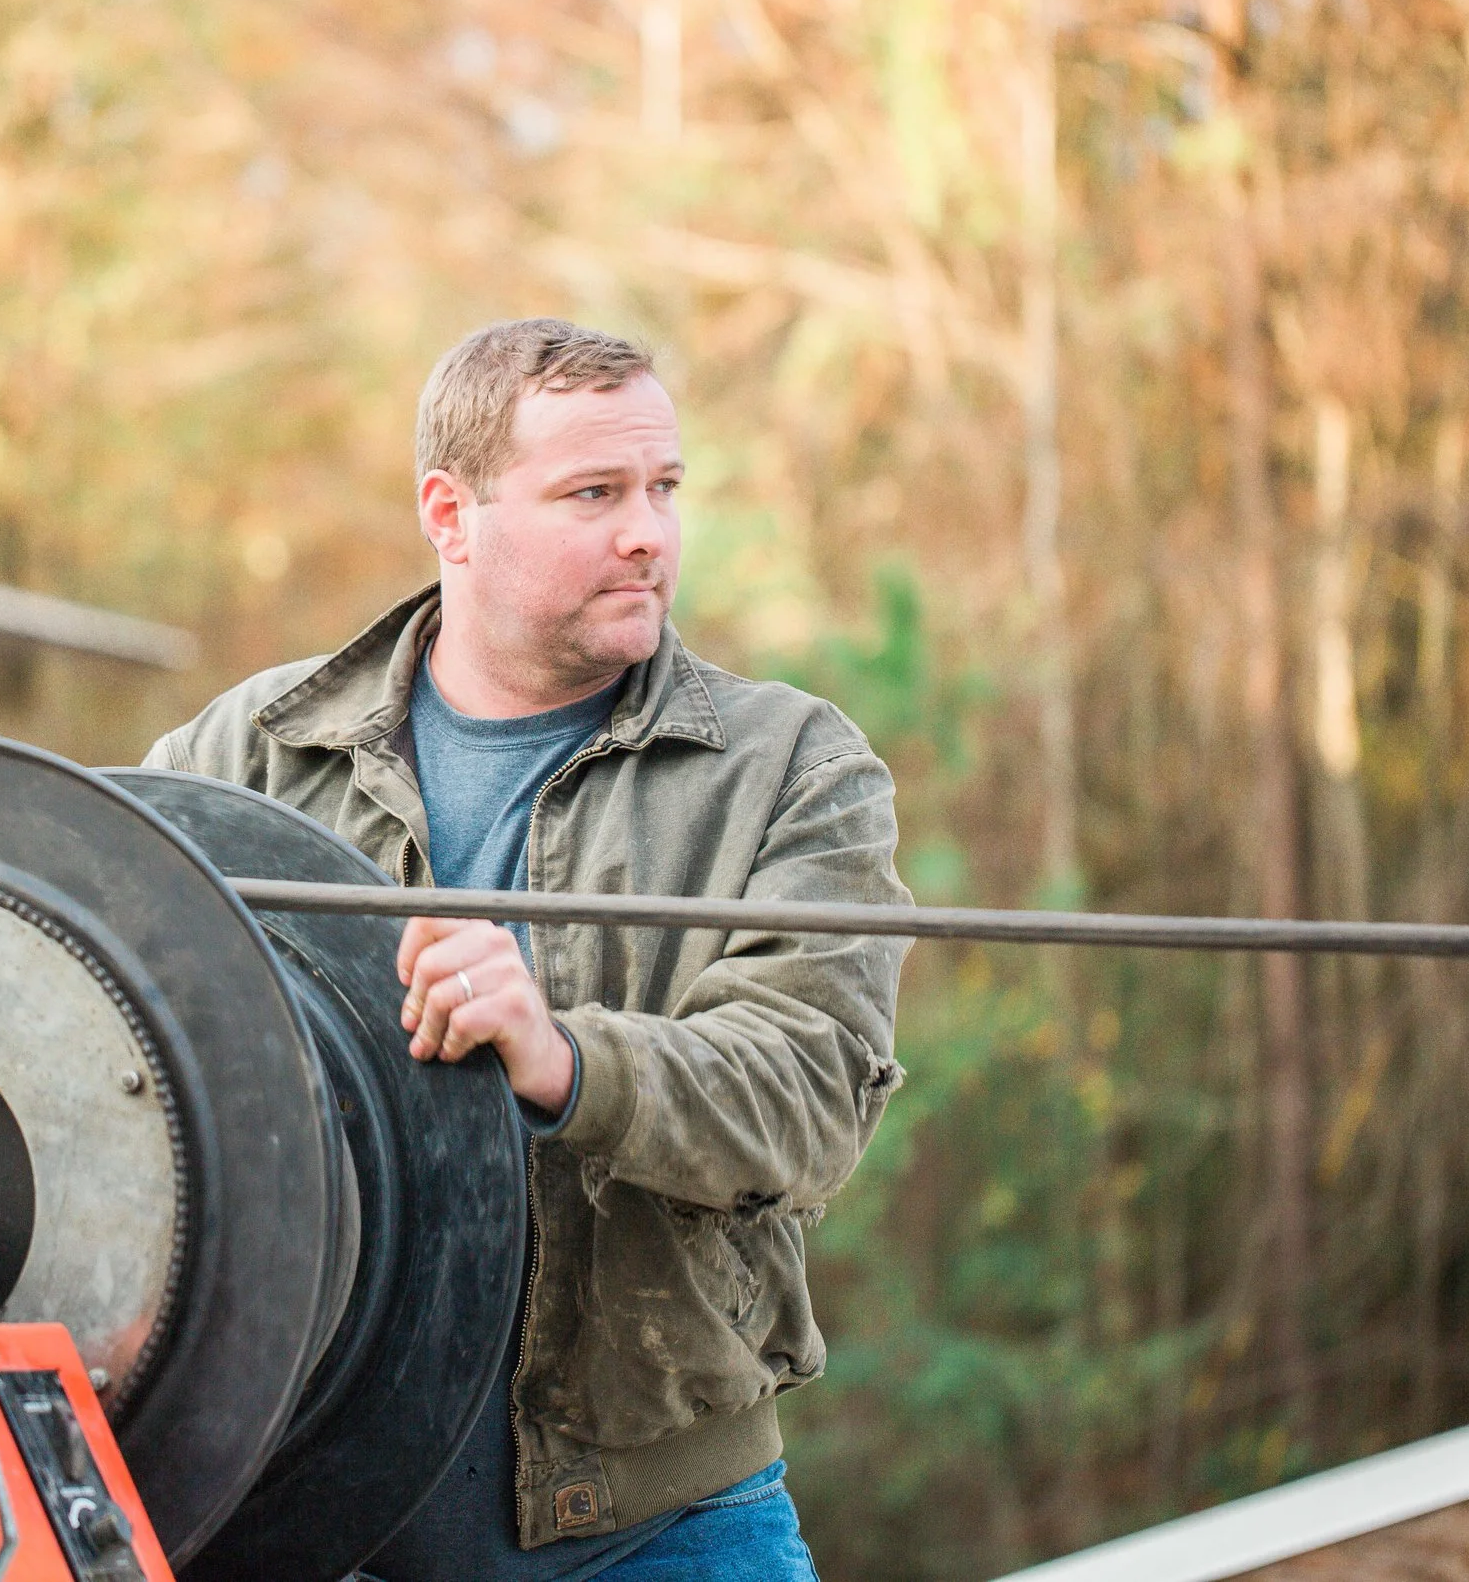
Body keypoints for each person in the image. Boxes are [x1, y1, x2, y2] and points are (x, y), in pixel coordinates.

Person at [142, 318, 911, 1580]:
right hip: (302, 1525)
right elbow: (103, 1007)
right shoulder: (249, 755)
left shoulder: (791, 769)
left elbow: (810, 1094)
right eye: (593, 492)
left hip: (661, 1531)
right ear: (451, 512)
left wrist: (561, 1058)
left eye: (664, 488)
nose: (647, 533)